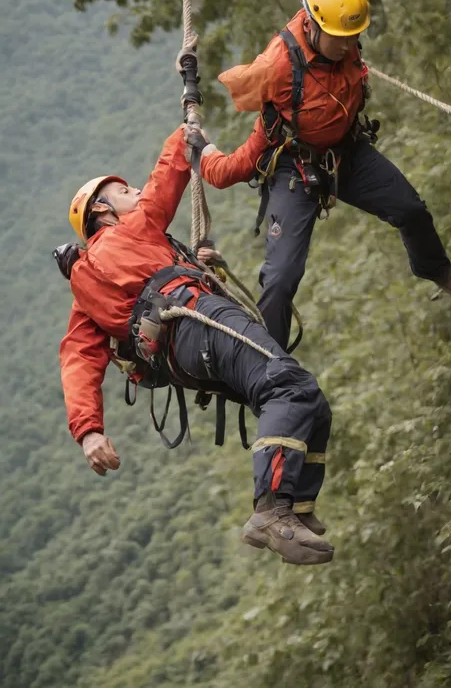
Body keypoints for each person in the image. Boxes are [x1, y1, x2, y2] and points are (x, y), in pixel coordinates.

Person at [186, 0, 451, 351]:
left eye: (354, 36)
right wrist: (201, 147)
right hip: (295, 169)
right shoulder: (276, 70)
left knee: (411, 209)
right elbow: (237, 167)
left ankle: (444, 277)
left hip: (348, 151)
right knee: (280, 280)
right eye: (341, 39)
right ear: (316, 27)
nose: (349, 45)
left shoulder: (338, 23)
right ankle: (269, 366)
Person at [58, 123, 334, 566]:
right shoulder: (129, 232)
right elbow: (167, 178)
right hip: (194, 319)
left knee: (308, 397)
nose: (136, 192)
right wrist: (183, 132)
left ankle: (296, 508)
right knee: (289, 386)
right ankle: (272, 509)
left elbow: (78, 357)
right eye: (125, 191)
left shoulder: (88, 286)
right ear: (104, 214)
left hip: (185, 353)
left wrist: (89, 430)